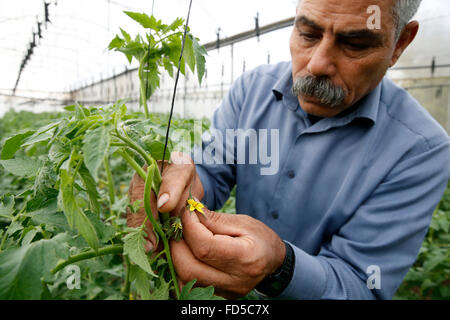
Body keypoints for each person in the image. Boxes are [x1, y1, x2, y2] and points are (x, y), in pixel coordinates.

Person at [128, 0, 450, 299]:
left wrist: (281, 267)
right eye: (308, 33)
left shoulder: (420, 149)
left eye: (355, 44)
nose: (317, 64)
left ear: (399, 44)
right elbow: (211, 172)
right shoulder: (251, 90)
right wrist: (178, 188)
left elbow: (362, 284)